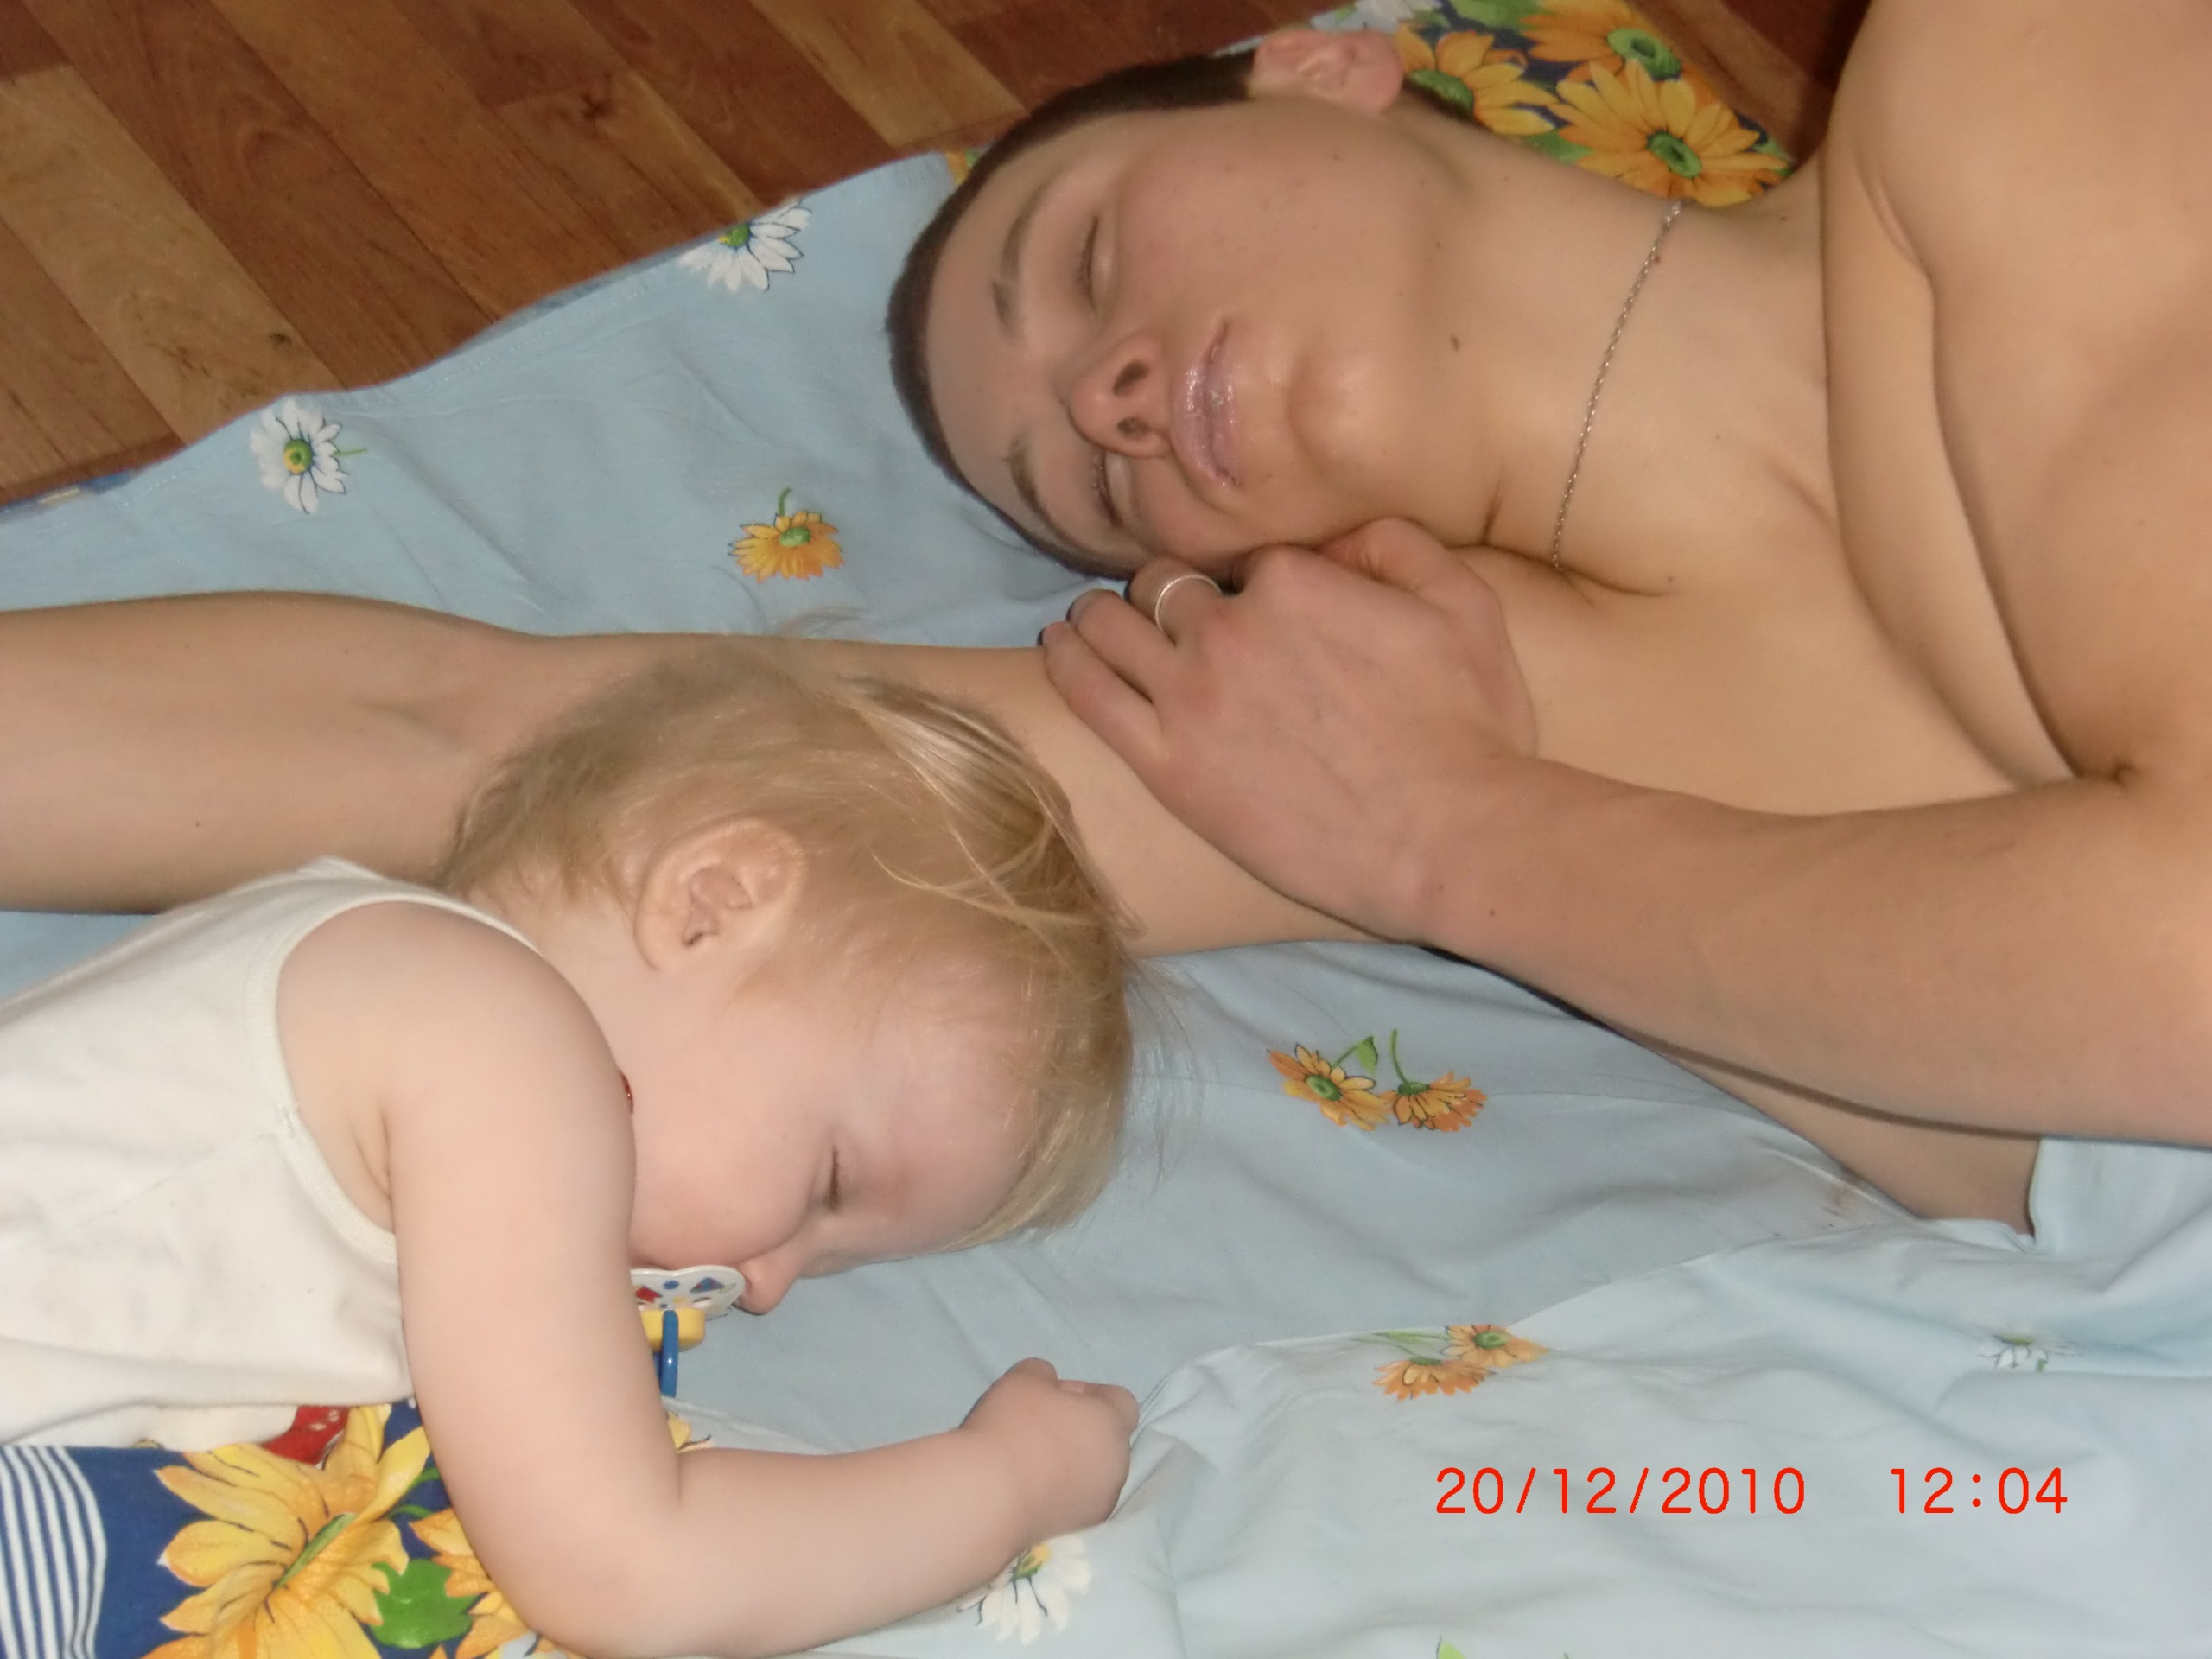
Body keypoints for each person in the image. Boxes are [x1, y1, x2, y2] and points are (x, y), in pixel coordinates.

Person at [3, 3, 2191, 1233]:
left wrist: (1459, 851)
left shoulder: (2017, 74)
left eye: (1083, 263)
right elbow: (500, 746)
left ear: (1319, 63)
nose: (1109, 395)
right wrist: (1428, 810)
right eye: (1081, 483)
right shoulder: (1402, 733)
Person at [0, 643, 1139, 1659]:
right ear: (713, 904)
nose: (769, 1286)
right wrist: (1004, 1486)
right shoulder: (492, 1035)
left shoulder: (361, 974)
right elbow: (626, 1568)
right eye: (827, 1187)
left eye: (834, 1260)